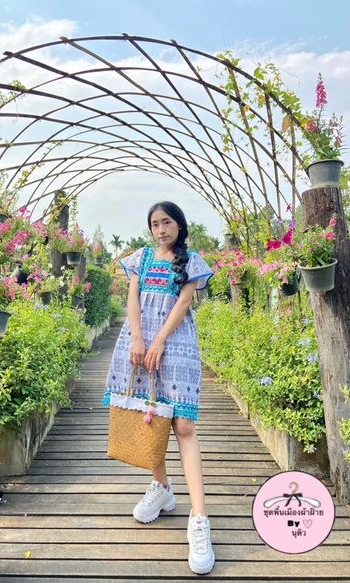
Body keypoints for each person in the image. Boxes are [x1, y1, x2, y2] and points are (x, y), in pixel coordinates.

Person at [102, 201, 215, 575]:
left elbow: (184, 302)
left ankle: (199, 519)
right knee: (150, 415)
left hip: (176, 344)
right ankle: (162, 488)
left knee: (183, 424)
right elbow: (132, 299)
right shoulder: (141, 258)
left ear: (179, 225)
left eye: (167, 222)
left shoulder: (192, 262)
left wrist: (160, 340)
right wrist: (138, 337)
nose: (161, 229)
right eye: (154, 224)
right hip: (138, 342)